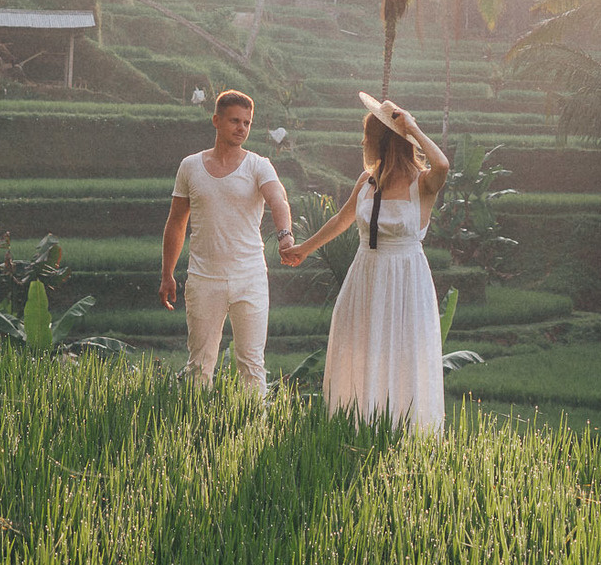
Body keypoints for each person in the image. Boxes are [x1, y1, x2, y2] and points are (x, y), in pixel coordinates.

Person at [282, 97, 450, 431]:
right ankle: (358, 426)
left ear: (385, 141)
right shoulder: (366, 181)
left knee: (403, 351)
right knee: (360, 348)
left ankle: (403, 430)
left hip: (406, 280)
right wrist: (304, 249)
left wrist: (411, 128)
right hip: (366, 277)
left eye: (369, 137)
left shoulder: (423, 183)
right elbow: (341, 221)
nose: (364, 143)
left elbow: (443, 165)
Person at [160, 89, 295, 398]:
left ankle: (254, 434)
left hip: (250, 278)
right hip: (204, 279)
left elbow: (279, 200)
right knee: (199, 365)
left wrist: (285, 235)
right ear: (216, 121)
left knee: (251, 365)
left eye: (247, 123)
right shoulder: (190, 166)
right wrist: (167, 273)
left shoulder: (259, 165)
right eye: (235, 121)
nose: (241, 128)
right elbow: (176, 221)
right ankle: (194, 430)